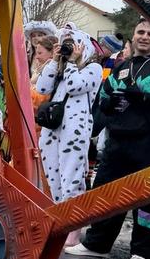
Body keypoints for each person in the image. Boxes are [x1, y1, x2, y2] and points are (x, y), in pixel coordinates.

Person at [65, 19, 150, 259]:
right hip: (117, 142)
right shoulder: (122, 67)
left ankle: (143, 251)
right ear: (133, 36)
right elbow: (104, 97)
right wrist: (109, 105)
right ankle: (97, 243)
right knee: (106, 193)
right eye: (140, 32)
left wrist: (143, 98)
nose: (144, 37)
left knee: (148, 199)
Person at [34, 23, 103, 205]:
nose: (68, 48)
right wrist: (56, 61)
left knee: (71, 177)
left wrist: (72, 61)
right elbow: (42, 88)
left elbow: (74, 86)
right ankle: (61, 214)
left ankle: (73, 224)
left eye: (72, 44)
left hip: (75, 129)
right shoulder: (60, 68)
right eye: (65, 44)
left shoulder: (93, 68)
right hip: (53, 128)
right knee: (54, 177)